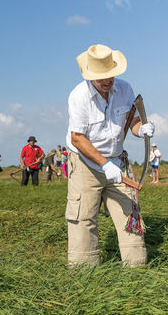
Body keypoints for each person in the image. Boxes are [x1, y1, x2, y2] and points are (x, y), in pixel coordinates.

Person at [66, 43, 155, 268]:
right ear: (90, 76)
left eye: (111, 75)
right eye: (102, 77)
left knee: (130, 216)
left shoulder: (125, 90)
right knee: (83, 218)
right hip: (85, 164)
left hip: (117, 162)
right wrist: (104, 164)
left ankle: (136, 270)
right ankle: (83, 274)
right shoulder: (79, 97)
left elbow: (131, 121)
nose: (108, 81)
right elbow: (78, 138)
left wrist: (140, 129)